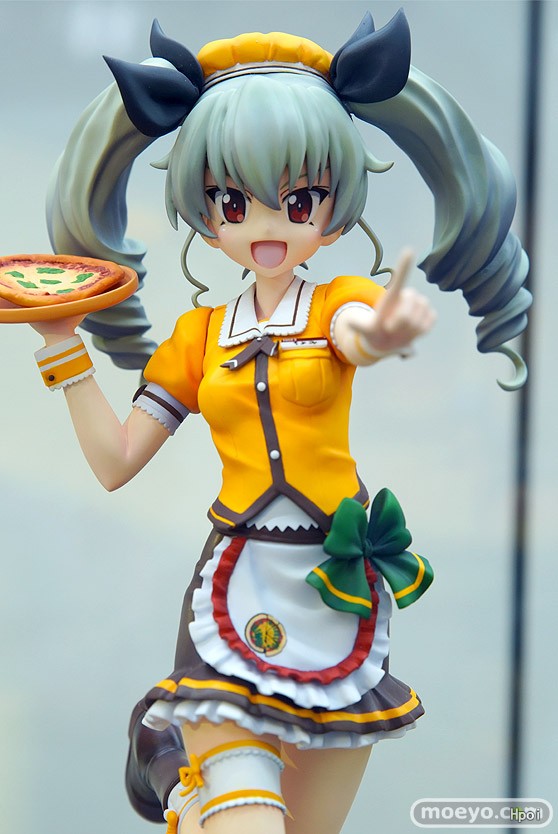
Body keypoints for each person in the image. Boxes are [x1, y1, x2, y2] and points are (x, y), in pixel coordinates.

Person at [35, 11, 530, 834]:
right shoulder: (199, 337)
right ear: (207, 209)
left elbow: (357, 335)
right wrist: (63, 348)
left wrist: (386, 331)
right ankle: (184, 781)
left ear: (333, 205)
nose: (267, 225)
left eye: (299, 199)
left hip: (336, 592)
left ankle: (173, 782)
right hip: (237, 588)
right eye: (234, 200)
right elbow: (117, 460)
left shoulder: (339, 303)